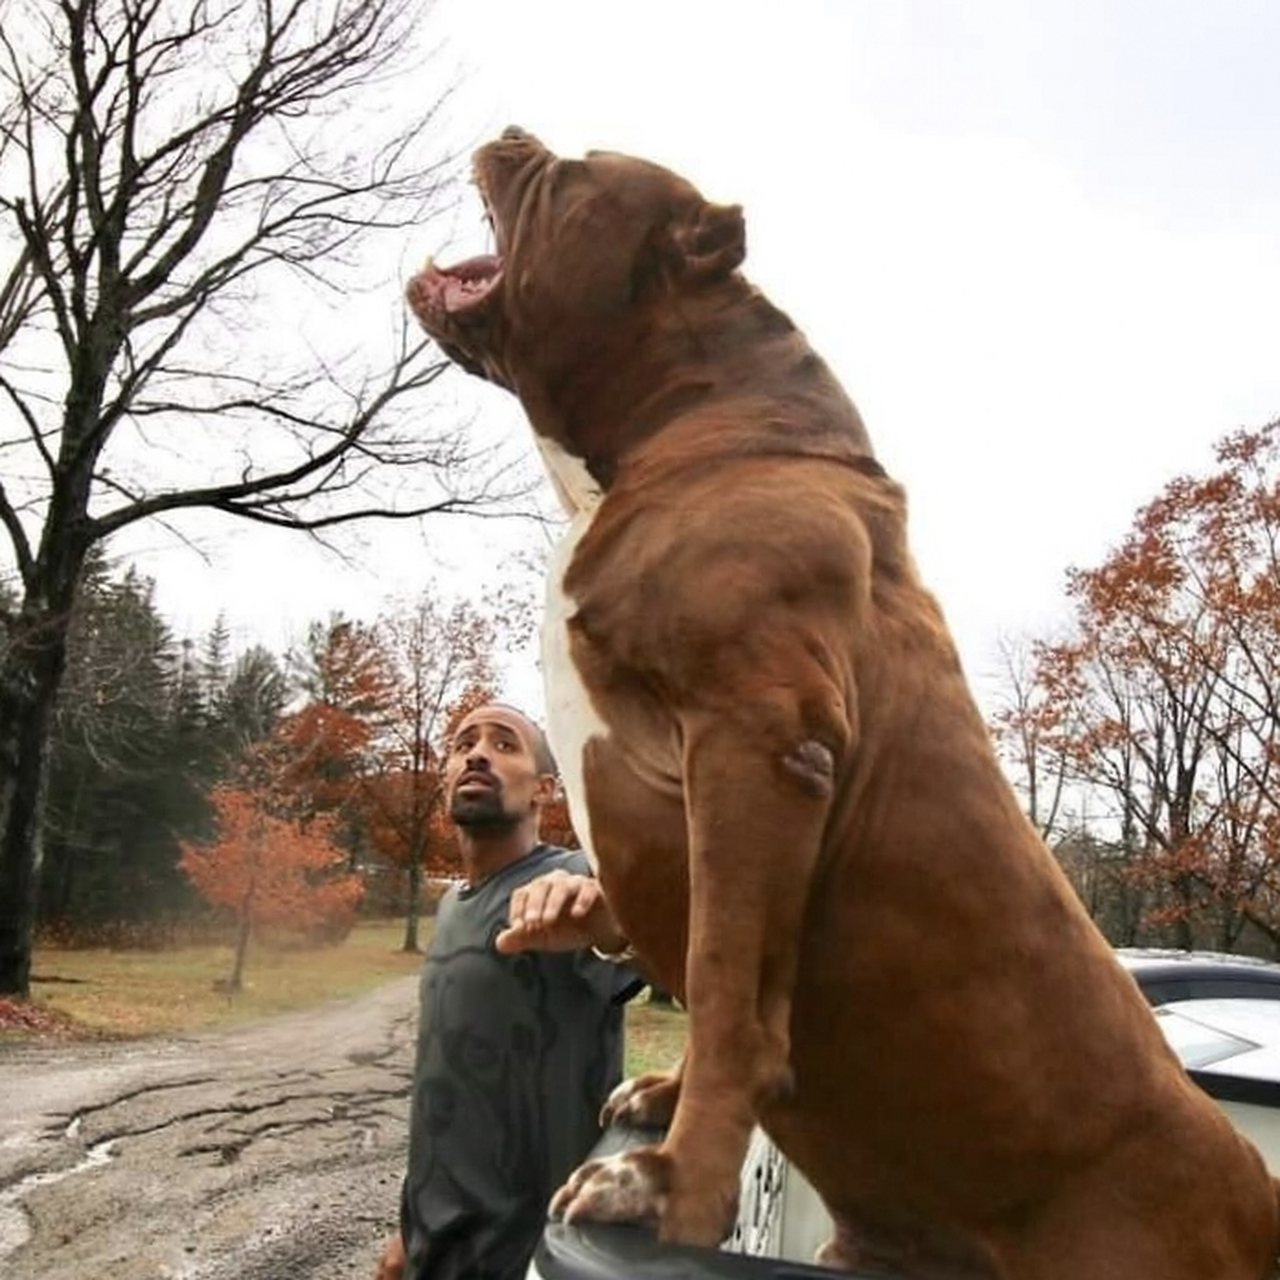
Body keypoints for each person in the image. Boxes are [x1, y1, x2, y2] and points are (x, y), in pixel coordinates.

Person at [376, 703, 643, 1280]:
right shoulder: (451, 906)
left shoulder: (576, 879)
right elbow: (442, 1088)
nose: (476, 752)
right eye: (463, 744)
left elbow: (671, 963)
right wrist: (407, 1225)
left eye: (504, 744)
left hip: (525, 1255)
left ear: (544, 789)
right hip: (432, 1247)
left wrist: (608, 924)